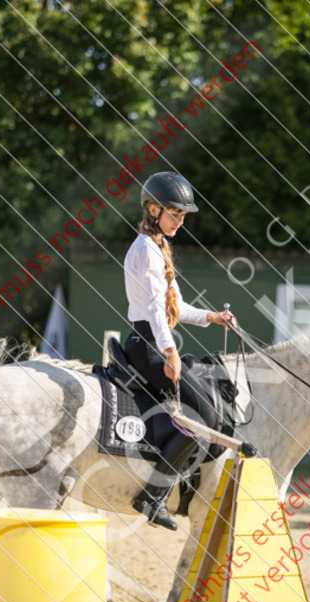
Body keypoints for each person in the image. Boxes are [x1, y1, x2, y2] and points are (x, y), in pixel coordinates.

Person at [123, 171, 235, 531]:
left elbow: (175, 307)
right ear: (153, 210)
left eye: (184, 216)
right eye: (175, 214)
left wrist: (212, 317)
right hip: (149, 346)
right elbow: (156, 312)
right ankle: (153, 495)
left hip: (156, 341)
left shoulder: (157, 246)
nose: (180, 222)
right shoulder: (146, 250)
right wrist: (171, 354)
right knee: (199, 418)